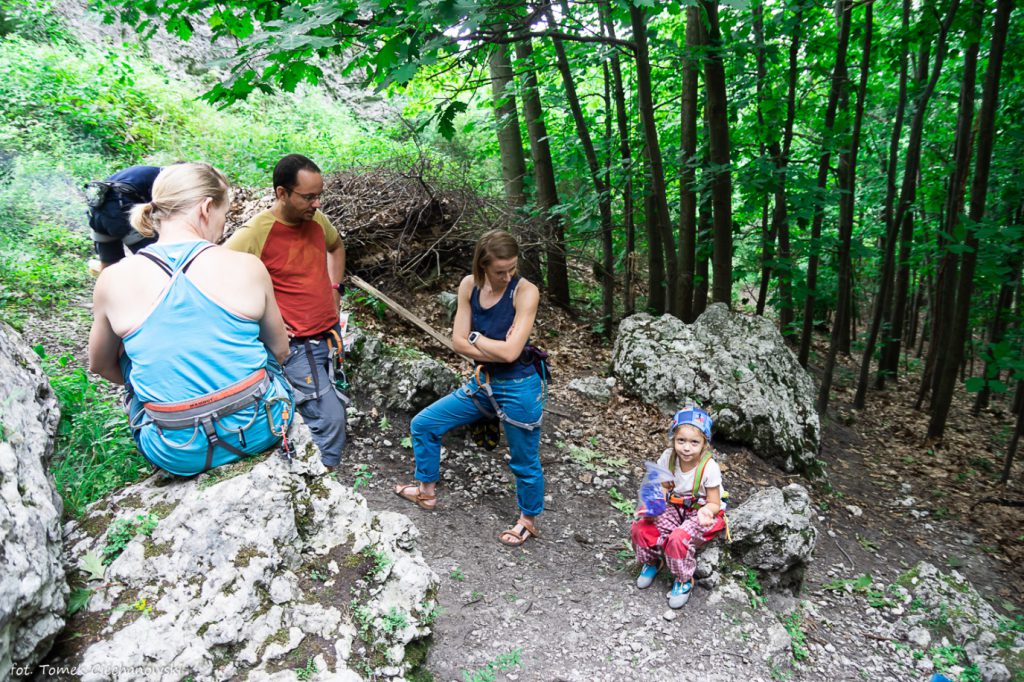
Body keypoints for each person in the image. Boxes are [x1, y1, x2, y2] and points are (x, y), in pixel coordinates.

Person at [88, 162, 294, 477]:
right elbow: (280, 351)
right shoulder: (247, 266)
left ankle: (171, 411)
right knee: (260, 340)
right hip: (262, 427)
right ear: (206, 208)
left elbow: (101, 365)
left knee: (129, 352)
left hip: (175, 451)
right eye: (224, 215)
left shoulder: (112, 279)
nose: (222, 227)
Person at [394, 229, 546, 546]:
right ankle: (426, 492)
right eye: (499, 271)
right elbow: (457, 341)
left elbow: (509, 352)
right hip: (483, 382)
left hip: (520, 387)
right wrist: (485, 346)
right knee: (424, 424)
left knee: (524, 460)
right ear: (483, 266)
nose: (507, 276)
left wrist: (476, 340)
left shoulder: (525, 291)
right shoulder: (469, 286)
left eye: (512, 268)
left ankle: (527, 520)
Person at [224, 154, 348, 469]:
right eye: (308, 197)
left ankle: (305, 471)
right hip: (295, 346)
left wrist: (335, 289)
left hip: (327, 338)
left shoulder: (316, 220)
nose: (316, 203)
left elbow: (336, 247)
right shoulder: (255, 233)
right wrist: (260, 321)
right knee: (331, 417)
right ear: (282, 193)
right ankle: (320, 483)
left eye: (319, 195)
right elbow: (215, 276)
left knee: (319, 410)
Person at [630, 406, 727, 608]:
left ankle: (684, 579)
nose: (686, 447)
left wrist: (707, 511)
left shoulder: (709, 467)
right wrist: (653, 506)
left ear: (704, 444)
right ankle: (653, 560)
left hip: (701, 510)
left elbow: (714, 502)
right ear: (673, 439)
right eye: (681, 440)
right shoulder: (668, 457)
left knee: (678, 539)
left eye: (694, 442)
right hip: (675, 506)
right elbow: (664, 487)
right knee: (641, 527)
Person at [86, 165, 162, 272]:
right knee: (158, 264)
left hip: (97, 211)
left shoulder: (149, 171)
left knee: (109, 269)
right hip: (121, 210)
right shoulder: (174, 177)